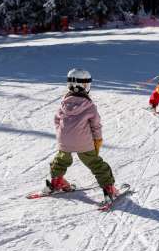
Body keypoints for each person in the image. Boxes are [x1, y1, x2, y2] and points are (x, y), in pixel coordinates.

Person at [45, 69, 120, 202]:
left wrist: (63, 134)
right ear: (86, 85)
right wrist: (97, 140)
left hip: (64, 140)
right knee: (95, 164)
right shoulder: (89, 105)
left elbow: (57, 120)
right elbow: (96, 125)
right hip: (83, 142)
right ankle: (108, 188)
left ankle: (57, 180)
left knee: (61, 160)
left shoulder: (64, 103)